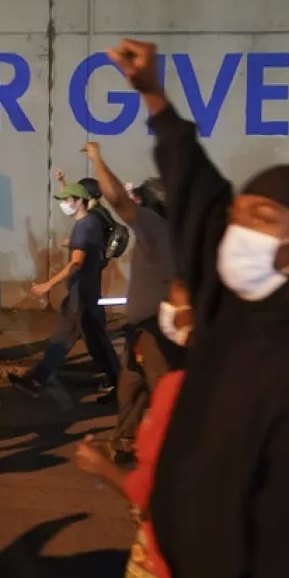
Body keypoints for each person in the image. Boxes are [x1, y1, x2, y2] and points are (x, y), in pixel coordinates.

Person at [106, 38, 289, 578]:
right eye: (240, 215)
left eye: (262, 217)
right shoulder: (236, 308)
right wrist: (155, 99)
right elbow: (199, 196)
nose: (239, 233)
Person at [75, 278, 192, 578]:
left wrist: (101, 466)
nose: (167, 315)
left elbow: (148, 494)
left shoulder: (178, 391)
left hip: (165, 562)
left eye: (176, 308)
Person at [81, 142, 181, 460]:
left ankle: (174, 454)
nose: (135, 203)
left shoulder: (153, 227)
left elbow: (118, 201)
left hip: (156, 330)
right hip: (143, 329)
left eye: (141, 199)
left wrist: (98, 159)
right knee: (132, 385)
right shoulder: (168, 232)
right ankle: (126, 441)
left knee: (161, 390)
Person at [9, 180, 121, 397]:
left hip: (82, 293)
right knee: (90, 339)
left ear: (81, 201)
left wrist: (47, 285)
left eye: (68, 199)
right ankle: (119, 382)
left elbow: (76, 262)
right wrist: (62, 184)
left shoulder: (84, 225)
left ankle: (38, 379)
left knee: (76, 336)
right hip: (87, 290)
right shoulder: (96, 220)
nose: (64, 204)